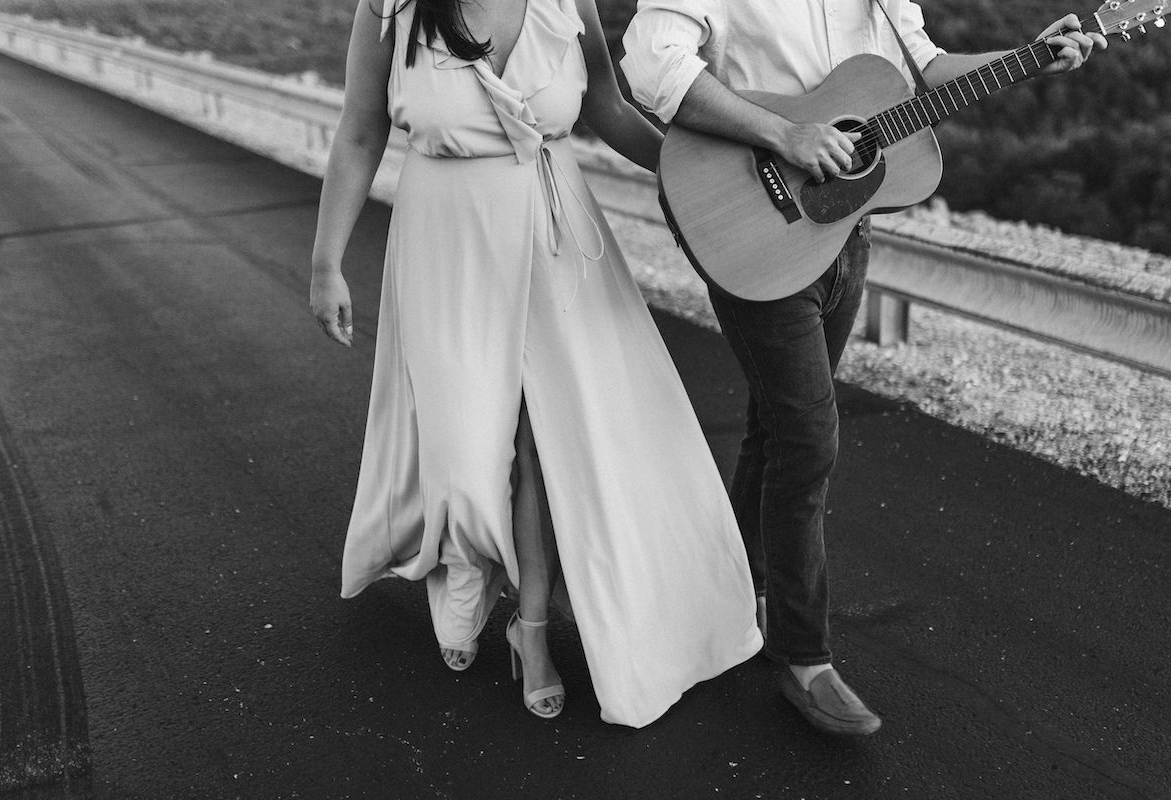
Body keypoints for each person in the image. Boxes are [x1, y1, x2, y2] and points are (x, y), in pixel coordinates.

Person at [620, 0, 1104, 735]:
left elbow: (927, 69)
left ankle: (731, 598)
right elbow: (652, 65)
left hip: (839, 224)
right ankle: (801, 654)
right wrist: (788, 132)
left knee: (776, 429)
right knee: (809, 437)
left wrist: (1031, 55)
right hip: (751, 212)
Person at [310, 0, 762, 727]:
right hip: (446, 234)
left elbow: (608, 111)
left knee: (554, 444)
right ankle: (465, 565)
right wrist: (327, 261)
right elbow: (361, 130)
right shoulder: (389, 6)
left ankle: (534, 631)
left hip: (558, 229)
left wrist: (706, 174)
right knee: (462, 452)